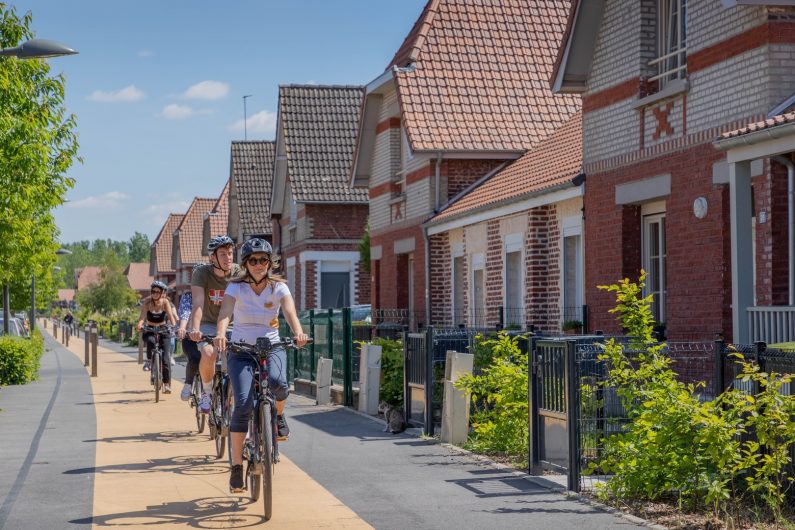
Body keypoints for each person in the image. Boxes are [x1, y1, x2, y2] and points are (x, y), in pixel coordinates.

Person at [213, 237, 307, 493]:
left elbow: (290, 313)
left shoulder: (279, 288)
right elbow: (225, 314)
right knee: (243, 403)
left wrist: (298, 332)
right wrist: (222, 333)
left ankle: (276, 415)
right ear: (246, 263)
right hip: (241, 350)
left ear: (269, 263)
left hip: (272, 346)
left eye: (263, 260)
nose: (258, 264)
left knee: (279, 384)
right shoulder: (236, 287)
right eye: (253, 260)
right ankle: (235, 467)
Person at [188, 235, 241, 413]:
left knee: (237, 361)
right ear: (213, 258)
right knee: (209, 353)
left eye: (230, 253)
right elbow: (198, 303)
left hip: (233, 325)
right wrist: (195, 329)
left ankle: (234, 404)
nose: (228, 258)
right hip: (208, 323)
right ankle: (208, 391)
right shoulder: (201, 273)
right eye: (223, 254)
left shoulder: (238, 273)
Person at [137, 280, 177, 393]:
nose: (155, 293)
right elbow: (142, 317)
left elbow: (170, 316)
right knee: (150, 341)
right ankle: (149, 361)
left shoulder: (165, 303)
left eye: (157, 291)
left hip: (163, 329)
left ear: (162, 292)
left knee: (165, 359)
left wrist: (174, 326)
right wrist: (140, 324)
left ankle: (167, 384)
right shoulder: (147, 303)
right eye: (153, 291)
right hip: (150, 329)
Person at [176, 289, 202, 401]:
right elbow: (185, 313)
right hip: (190, 337)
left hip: (211, 336)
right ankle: (188, 383)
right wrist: (182, 327)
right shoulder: (188, 296)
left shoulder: (215, 292)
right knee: (195, 358)